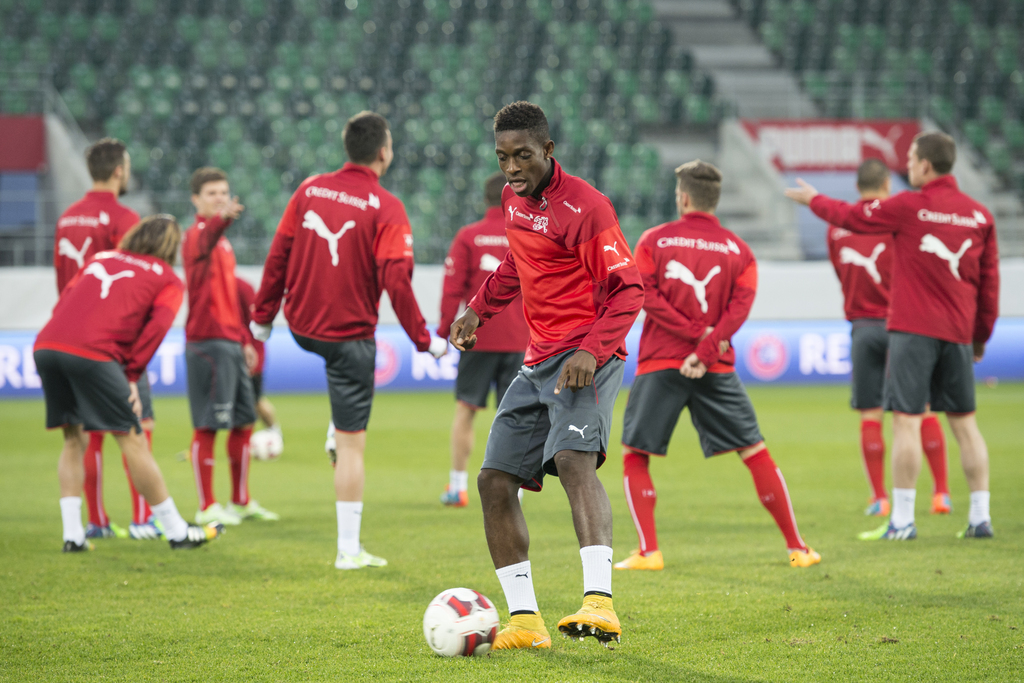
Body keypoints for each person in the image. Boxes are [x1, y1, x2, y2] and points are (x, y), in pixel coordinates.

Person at [449, 101, 644, 649]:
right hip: (536, 362)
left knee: (574, 460)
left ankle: (600, 603)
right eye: (503, 157)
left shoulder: (587, 208)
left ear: (548, 151)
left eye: (523, 156)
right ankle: (526, 621)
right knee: (493, 480)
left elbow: (629, 288)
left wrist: (592, 349)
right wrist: (477, 310)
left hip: (585, 358)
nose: (512, 168)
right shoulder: (514, 201)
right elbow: (517, 262)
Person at [250, 111, 447, 570]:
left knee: (341, 401)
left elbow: (278, 253)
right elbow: (397, 281)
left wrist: (262, 318)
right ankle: (348, 551)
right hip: (348, 336)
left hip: (300, 327)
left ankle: (336, 427)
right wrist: (425, 341)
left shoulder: (309, 189)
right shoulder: (387, 207)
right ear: (384, 152)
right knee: (353, 445)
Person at [786, 131, 999, 540]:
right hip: (957, 332)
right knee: (965, 425)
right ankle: (979, 517)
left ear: (925, 165)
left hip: (914, 330)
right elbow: (989, 285)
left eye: (913, 157)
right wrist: (980, 338)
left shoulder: (909, 207)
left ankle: (901, 520)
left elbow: (851, 218)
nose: (908, 164)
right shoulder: (979, 215)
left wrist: (813, 199)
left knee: (905, 422)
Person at [613, 160, 820, 572]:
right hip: (716, 364)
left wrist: (691, 338)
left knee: (636, 454)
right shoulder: (740, 251)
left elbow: (645, 296)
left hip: (661, 360)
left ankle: (649, 552)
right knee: (754, 451)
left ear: (683, 197)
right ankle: (798, 547)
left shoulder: (654, 240)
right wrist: (706, 347)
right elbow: (740, 309)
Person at [35, 215, 222, 552]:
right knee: (132, 439)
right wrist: (132, 375)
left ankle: (73, 535)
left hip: (47, 346)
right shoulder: (167, 279)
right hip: (94, 353)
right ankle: (177, 531)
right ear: (170, 246)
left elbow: (66, 301)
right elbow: (156, 330)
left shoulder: (100, 258)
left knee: (73, 438)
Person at [826, 158, 950, 518]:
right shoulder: (897, 221)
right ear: (885, 187)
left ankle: (879, 498)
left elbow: (840, 270)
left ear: (857, 188)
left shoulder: (837, 227)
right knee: (920, 409)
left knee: (870, 415)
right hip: (902, 326)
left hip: (863, 327)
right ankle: (941, 492)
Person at [53, 137, 161, 541]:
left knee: (88, 433)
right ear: (119, 170)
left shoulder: (67, 217)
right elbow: (132, 281)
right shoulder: (123, 217)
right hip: (113, 341)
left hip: (70, 337)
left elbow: (62, 280)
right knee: (138, 426)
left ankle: (96, 521)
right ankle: (141, 519)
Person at [182, 168, 279, 526]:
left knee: (243, 421)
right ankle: (206, 506)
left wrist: (244, 340)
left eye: (223, 192)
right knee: (208, 426)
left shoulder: (223, 243)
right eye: (211, 193)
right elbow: (206, 236)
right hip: (206, 343)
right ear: (196, 199)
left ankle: (240, 500)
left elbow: (225, 298)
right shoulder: (196, 236)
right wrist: (220, 221)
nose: (220, 198)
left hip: (230, 342)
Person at [437, 172, 530, 507]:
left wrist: (444, 331)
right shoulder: (525, 234)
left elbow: (452, 290)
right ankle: (515, 490)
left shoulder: (469, 236)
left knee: (466, 410)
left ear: (485, 199)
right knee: (516, 416)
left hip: (477, 337)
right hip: (521, 338)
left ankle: (458, 487)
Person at [237, 277, 282, 446]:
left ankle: (274, 433)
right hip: (248, 351)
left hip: (251, 354)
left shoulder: (241, 287)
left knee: (254, 401)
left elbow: (254, 319)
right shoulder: (238, 285)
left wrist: (252, 349)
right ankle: (273, 433)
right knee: (253, 400)